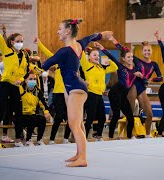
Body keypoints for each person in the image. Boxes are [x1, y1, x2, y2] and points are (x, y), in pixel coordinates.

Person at [42, 19, 112, 167]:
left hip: (75, 88)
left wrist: (33, 66)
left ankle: (83, 158)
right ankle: (79, 154)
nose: (57, 31)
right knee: (78, 123)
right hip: (75, 87)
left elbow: (46, 64)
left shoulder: (64, 51)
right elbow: (91, 37)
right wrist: (102, 35)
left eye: (59, 29)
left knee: (74, 125)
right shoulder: (79, 45)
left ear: (68, 31)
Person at [0, 20, 30, 147]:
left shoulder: (25, 55)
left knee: (19, 113)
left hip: (16, 87)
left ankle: (19, 139)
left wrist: (21, 79)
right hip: (5, 85)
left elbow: (26, 71)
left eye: (22, 41)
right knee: (1, 112)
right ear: (12, 42)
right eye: (18, 41)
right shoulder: (7, 50)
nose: (20, 43)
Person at [111, 38, 163, 138]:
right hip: (134, 86)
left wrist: (147, 78)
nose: (147, 52)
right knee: (129, 113)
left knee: (149, 114)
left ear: (151, 51)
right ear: (142, 52)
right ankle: (125, 134)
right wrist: (114, 41)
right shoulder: (137, 60)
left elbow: (161, 78)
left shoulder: (154, 64)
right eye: (145, 50)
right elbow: (124, 49)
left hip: (142, 88)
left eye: (149, 50)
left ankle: (147, 135)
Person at [96, 44, 140, 140]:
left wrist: (141, 76)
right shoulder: (120, 66)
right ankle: (111, 137)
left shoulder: (136, 69)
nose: (130, 58)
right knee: (116, 115)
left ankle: (129, 136)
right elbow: (111, 56)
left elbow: (144, 80)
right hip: (115, 92)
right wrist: (102, 47)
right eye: (128, 57)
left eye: (131, 57)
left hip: (123, 94)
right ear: (123, 59)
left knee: (130, 116)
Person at [34, 38, 71, 144]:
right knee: (59, 116)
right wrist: (40, 43)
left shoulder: (72, 66)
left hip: (68, 94)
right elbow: (48, 53)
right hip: (58, 93)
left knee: (70, 117)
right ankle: (51, 139)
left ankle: (66, 138)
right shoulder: (58, 63)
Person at [81, 43, 118, 141]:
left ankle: (99, 136)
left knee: (102, 118)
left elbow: (115, 67)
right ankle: (83, 138)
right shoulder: (87, 65)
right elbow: (81, 55)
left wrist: (108, 59)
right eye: (94, 55)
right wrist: (83, 48)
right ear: (89, 57)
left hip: (99, 95)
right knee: (90, 118)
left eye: (98, 55)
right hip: (91, 94)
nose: (97, 57)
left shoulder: (102, 68)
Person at [20, 72, 50, 146]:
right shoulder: (20, 89)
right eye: (30, 79)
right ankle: (28, 140)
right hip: (20, 115)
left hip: (31, 115)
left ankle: (39, 139)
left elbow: (43, 103)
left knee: (42, 119)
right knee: (32, 118)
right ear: (25, 80)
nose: (33, 81)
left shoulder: (37, 91)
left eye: (34, 79)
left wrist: (46, 112)